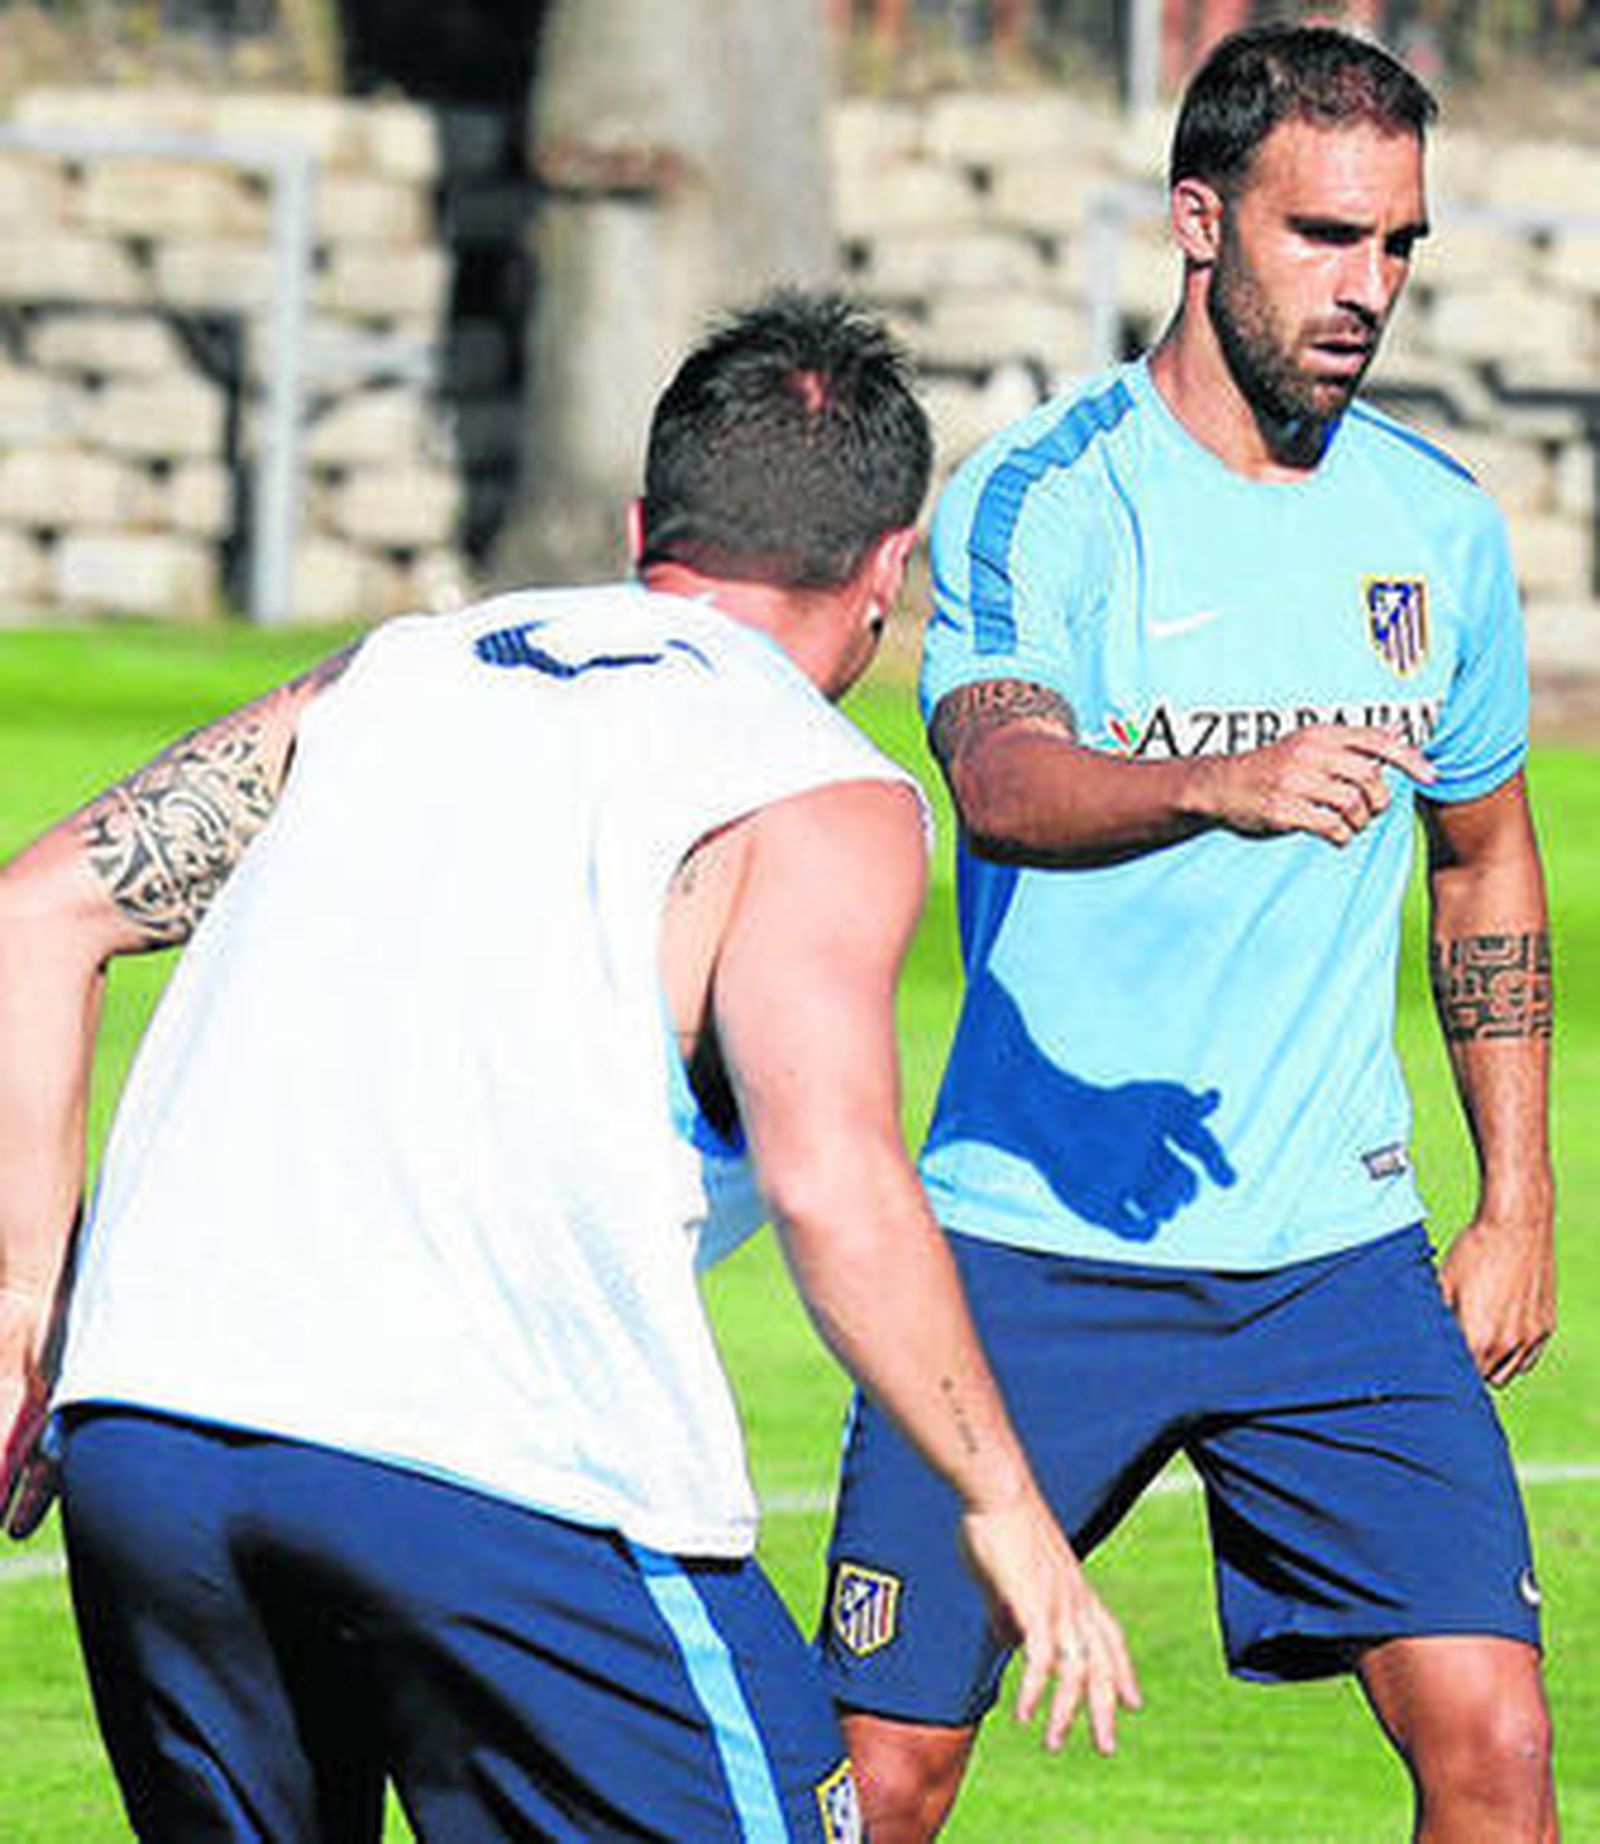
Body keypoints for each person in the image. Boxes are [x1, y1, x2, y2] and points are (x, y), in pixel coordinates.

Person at [0, 291, 1138, 1843]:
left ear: (641, 528)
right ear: (889, 571)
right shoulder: (818, 782)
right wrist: (1001, 1500)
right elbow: (830, 1179)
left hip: (155, 1431)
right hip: (504, 1467)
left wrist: (28, 1305)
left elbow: (38, 913)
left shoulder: (392, 674)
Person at [819, 27, 1557, 1842]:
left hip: (1331, 1261)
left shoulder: (1437, 529)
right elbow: (1000, 779)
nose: (1366, 286)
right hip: (1025, 1251)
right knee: (883, 1780)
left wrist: (1518, 1201)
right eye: (1324, 235)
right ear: (1199, 221)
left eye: (1397, 244)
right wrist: (1213, 784)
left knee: (1497, 1751)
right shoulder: (1044, 494)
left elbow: (1484, 858)